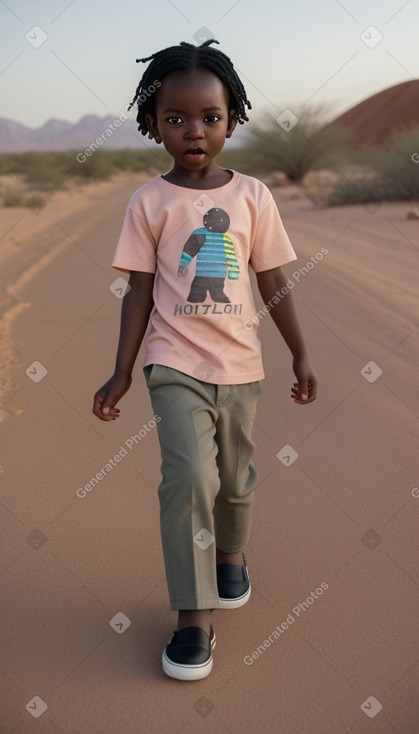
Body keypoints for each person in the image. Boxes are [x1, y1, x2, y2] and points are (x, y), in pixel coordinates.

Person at [92, 39, 318, 681]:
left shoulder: (253, 196)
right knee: (190, 477)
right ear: (152, 124)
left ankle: (231, 555)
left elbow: (272, 279)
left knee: (236, 480)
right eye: (176, 119)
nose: (194, 131)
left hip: (242, 368)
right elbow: (139, 291)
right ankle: (194, 614)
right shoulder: (149, 202)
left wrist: (300, 351)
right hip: (173, 364)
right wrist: (121, 370)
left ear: (232, 120)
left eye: (210, 118)